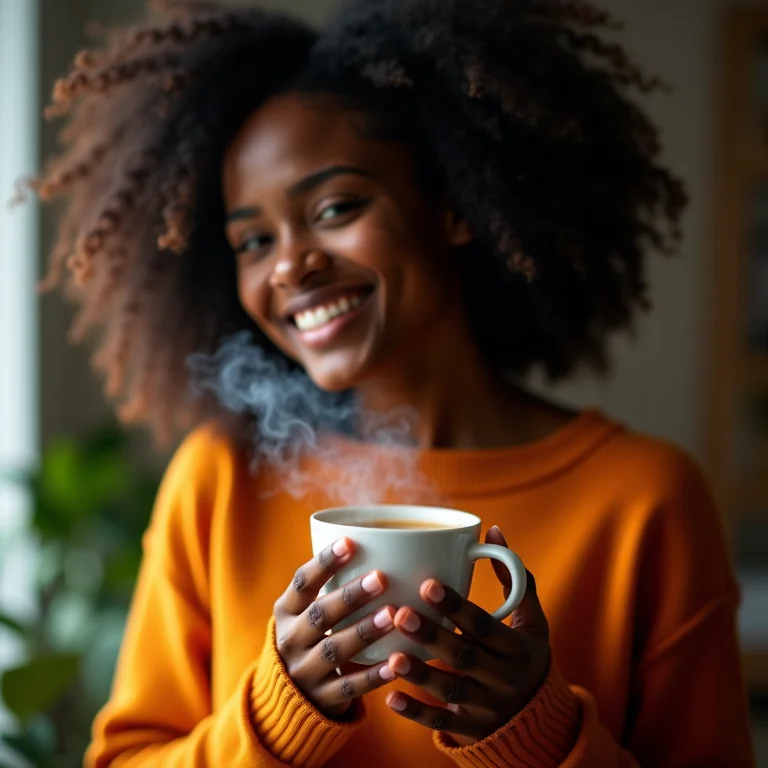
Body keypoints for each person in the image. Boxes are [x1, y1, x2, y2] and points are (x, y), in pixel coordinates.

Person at [33, 0, 755, 765]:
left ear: (453, 207)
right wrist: (275, 719)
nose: (289, 266)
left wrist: (534, 734)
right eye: (253, 241)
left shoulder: (644, 501)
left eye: (336, 207)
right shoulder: (221, 480)